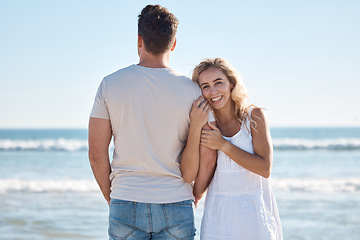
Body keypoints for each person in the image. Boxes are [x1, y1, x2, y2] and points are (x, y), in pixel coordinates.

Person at [88, 5, 211, 240]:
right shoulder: (193, 91)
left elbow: (96, 152)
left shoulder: (109, 84)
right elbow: (206, 154)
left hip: (125, 199)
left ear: (139, 40)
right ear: (173, 44)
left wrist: (112, 197)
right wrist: (195, 195)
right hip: (176, 200)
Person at [188, 58, 283, 239]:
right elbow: (207, 167)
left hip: (254, 215)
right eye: (205, 86)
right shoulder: (205, 124)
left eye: (218, 83)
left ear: (231, 83)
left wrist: (223, 144)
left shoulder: (254, 117)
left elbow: (265, 168)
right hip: (218, 214)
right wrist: (194, 197)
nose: (213, 91)